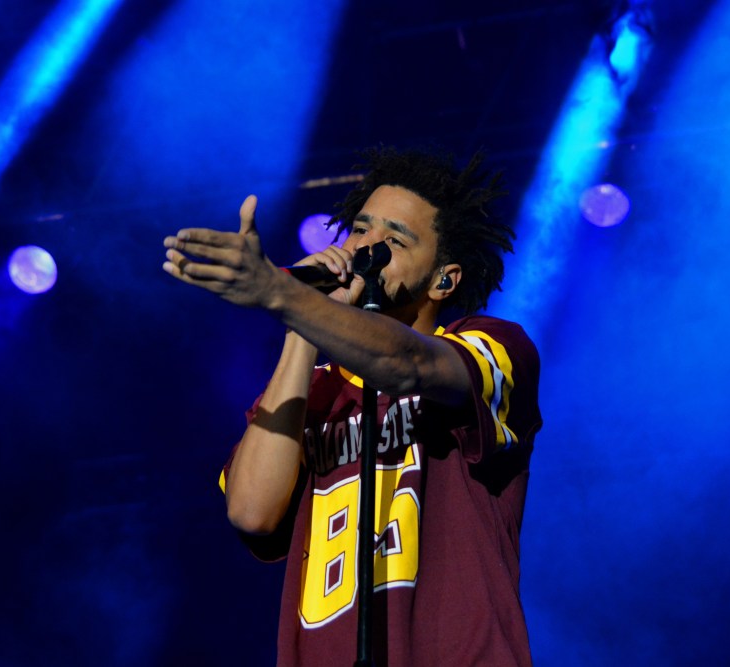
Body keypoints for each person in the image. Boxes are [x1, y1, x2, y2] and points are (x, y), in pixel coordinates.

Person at [162, 147, 542, 666]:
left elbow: (408, 364)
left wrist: (285, 297)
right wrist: (304, 323)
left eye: (395, 239)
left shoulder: (493, 347)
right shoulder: (311, 391)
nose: (366, 246)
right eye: (360, 229)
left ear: (444, 280)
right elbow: (251, 513)